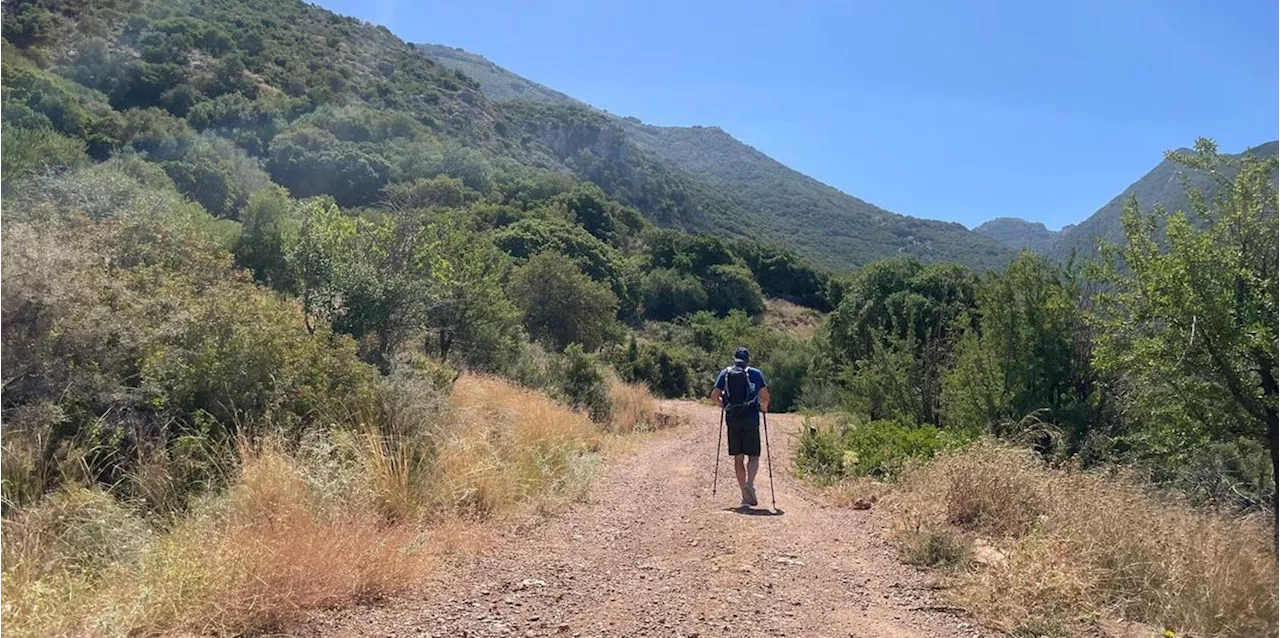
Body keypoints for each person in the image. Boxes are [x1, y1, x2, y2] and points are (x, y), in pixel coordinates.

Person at [710, 346, 770, 508]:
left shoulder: (726, 373)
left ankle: (744, 495)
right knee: (754, 455)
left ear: (735, 359)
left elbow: (714, 396)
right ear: (747, 360)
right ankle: (750, 483)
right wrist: (763, 408)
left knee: (738, 457)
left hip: (733, 419)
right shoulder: (756, 373)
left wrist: (726, 407)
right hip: (751, 418)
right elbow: (765, 396)